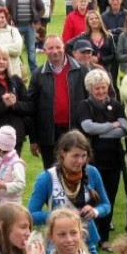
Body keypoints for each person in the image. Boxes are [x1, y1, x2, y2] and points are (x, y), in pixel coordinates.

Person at [28, 130, 112, 254]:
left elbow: (106, 205)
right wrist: (61, 216)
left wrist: (95, 212)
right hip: (57, 244)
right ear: (63, 153)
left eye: (84, 156)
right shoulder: (47, 178)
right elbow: (31, 215)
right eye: (75, 156)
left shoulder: (92, 172)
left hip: (87, 240)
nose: (80, 161)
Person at [77, 69, 126, 249]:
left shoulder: (116, 104)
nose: (100, 91)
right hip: (91, 160)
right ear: (90, 89)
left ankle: (104, 237)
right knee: (89, 197)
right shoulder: (84, 105)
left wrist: (102, 131)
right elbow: (88, 127)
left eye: (103, 87)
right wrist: (111, 126)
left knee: (109, 198)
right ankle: (87, 235)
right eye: (96, 88)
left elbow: (124, 129)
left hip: (113, 158)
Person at [28, 36, 90, 169]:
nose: (55, 51)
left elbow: (89, 102)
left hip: (75, 131)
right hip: (48, 134)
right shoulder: (38, 75)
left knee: (76, 170)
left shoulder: (81, 71)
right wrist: (33, 139)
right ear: (44, 50)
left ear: (64, 48)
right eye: (50, 48)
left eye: (58, 47)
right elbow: (31, 108)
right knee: (52, 173)